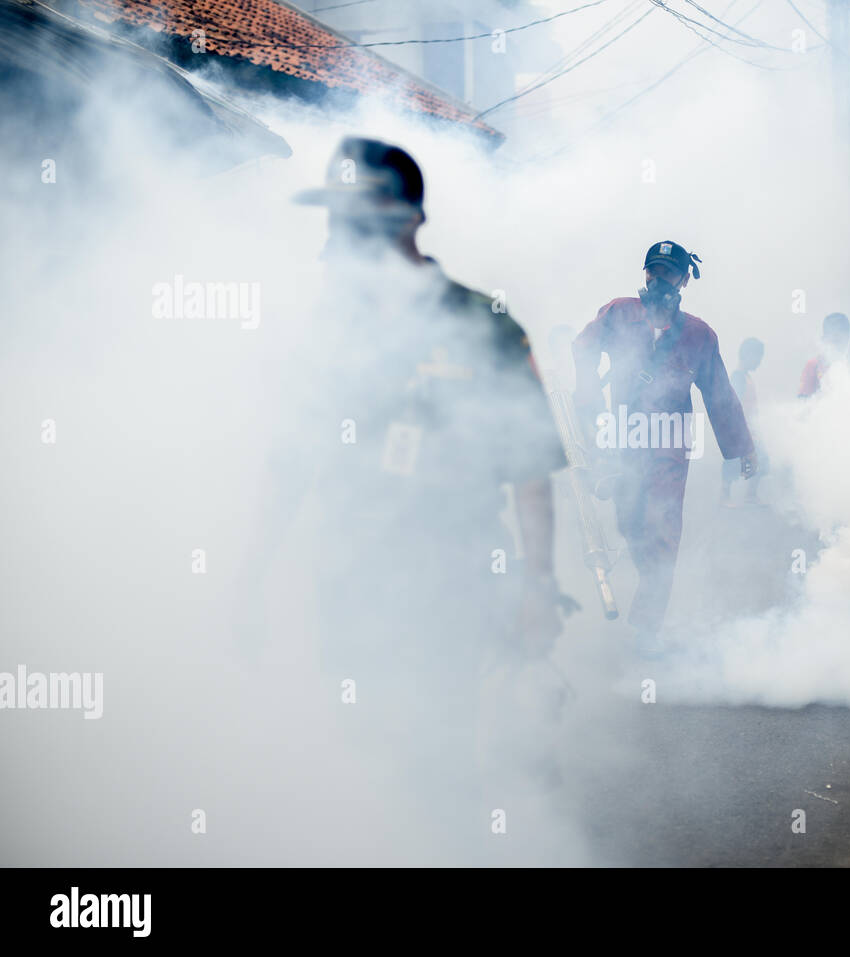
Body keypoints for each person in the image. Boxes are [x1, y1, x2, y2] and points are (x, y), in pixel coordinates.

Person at [243, 138, 575, 854]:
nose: (337, 244)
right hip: (347, 584)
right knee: (357, 751)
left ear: (407, 221)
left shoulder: (485, 326)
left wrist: (539, 586)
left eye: (354, 223)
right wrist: (248, 575)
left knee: (438, 755)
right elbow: (289, 461)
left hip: (449, 585)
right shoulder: (332, 334)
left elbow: (528, 468)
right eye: (334, 225)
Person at [572, 240, 755, 656]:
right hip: (623, 438)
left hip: (670, 442)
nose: (657, 279)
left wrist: (742, 448)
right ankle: (644, 577)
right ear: (645, 274)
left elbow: (720, 395)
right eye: (652, 271)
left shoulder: (699, 335)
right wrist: (588, 399)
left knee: (665, 530)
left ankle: (647, 629)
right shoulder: (618, 312)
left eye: (667, 273)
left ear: (684, 279)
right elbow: (582, 347)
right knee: (631, 524)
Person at [721, 337, 766, 506]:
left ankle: (750, 495)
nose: (759, 362)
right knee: (732, 461)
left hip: (749, 429)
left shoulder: (746, 377)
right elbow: (734, 403)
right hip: (740, 428)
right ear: (747, 355)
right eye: (758, 357)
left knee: (762, 460)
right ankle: (725, 496)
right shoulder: (738, 377)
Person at [798, 312, 850, 397]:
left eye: (843, 334)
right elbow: (803, 399)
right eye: (833, 337)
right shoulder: (814, 365)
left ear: (848, 337)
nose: (837, 338)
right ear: (825, 337)